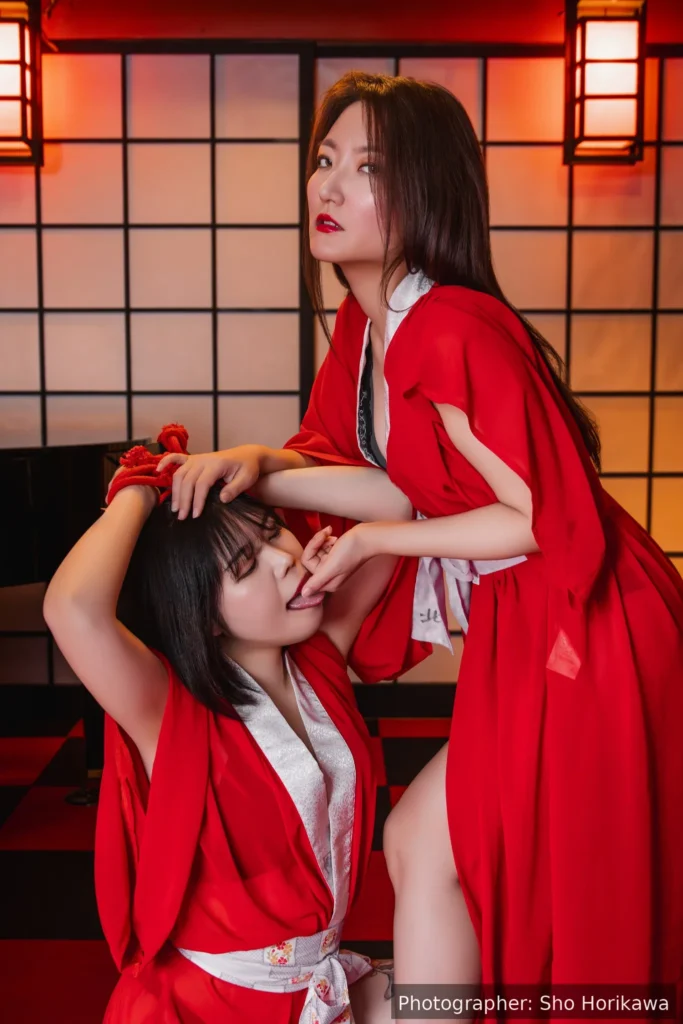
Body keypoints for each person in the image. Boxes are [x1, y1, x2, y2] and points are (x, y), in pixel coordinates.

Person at [160, 71, 683, 1016]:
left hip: (589, 619)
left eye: (367, 168)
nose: (328, 186)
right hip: (535, 616)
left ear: (425, 190)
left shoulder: (446, 326)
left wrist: (370, 543)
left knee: (538, 866)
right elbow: (408, 482)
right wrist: (261, 467)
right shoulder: (367, 327)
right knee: (426, 845)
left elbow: (541, 519)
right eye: (325, 160)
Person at [42, 422, 409, 1024]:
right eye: (246, 565)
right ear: (204, 614)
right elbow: (71, 609)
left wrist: (257, 470)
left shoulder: (321, 657)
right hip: (212, 1006)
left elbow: (398, 502)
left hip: (318, 984)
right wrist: (143, 485)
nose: (285, 560)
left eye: (273, 532)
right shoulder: (168, 707)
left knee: (463, 999)